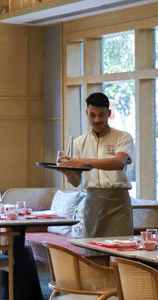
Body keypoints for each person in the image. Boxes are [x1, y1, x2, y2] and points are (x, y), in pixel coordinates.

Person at [57, 92, 134, 237]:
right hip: (92, 202)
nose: (97, 119)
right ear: (87, 113)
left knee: (120, 252)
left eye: (101, 115)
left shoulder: (123, 137)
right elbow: (76, 182)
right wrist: (67, 171)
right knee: (91, 252)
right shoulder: (79, 142)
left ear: (109, 114)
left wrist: (81, 161)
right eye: (92, 115)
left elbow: (118, 163)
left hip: (118, 203)